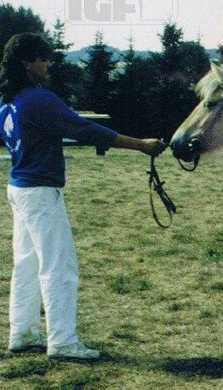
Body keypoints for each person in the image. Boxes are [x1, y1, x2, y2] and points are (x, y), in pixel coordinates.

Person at [0, 33, 167, 360]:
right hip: (40, 191)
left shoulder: (8, 101)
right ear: (27, 62)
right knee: (58, 266)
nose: (48, 64)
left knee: (27, 263)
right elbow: (84, 129)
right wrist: (141, 145)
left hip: (18, 187)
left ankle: (23, 333)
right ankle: (63, 342)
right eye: (43, 58)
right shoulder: (39, 99)